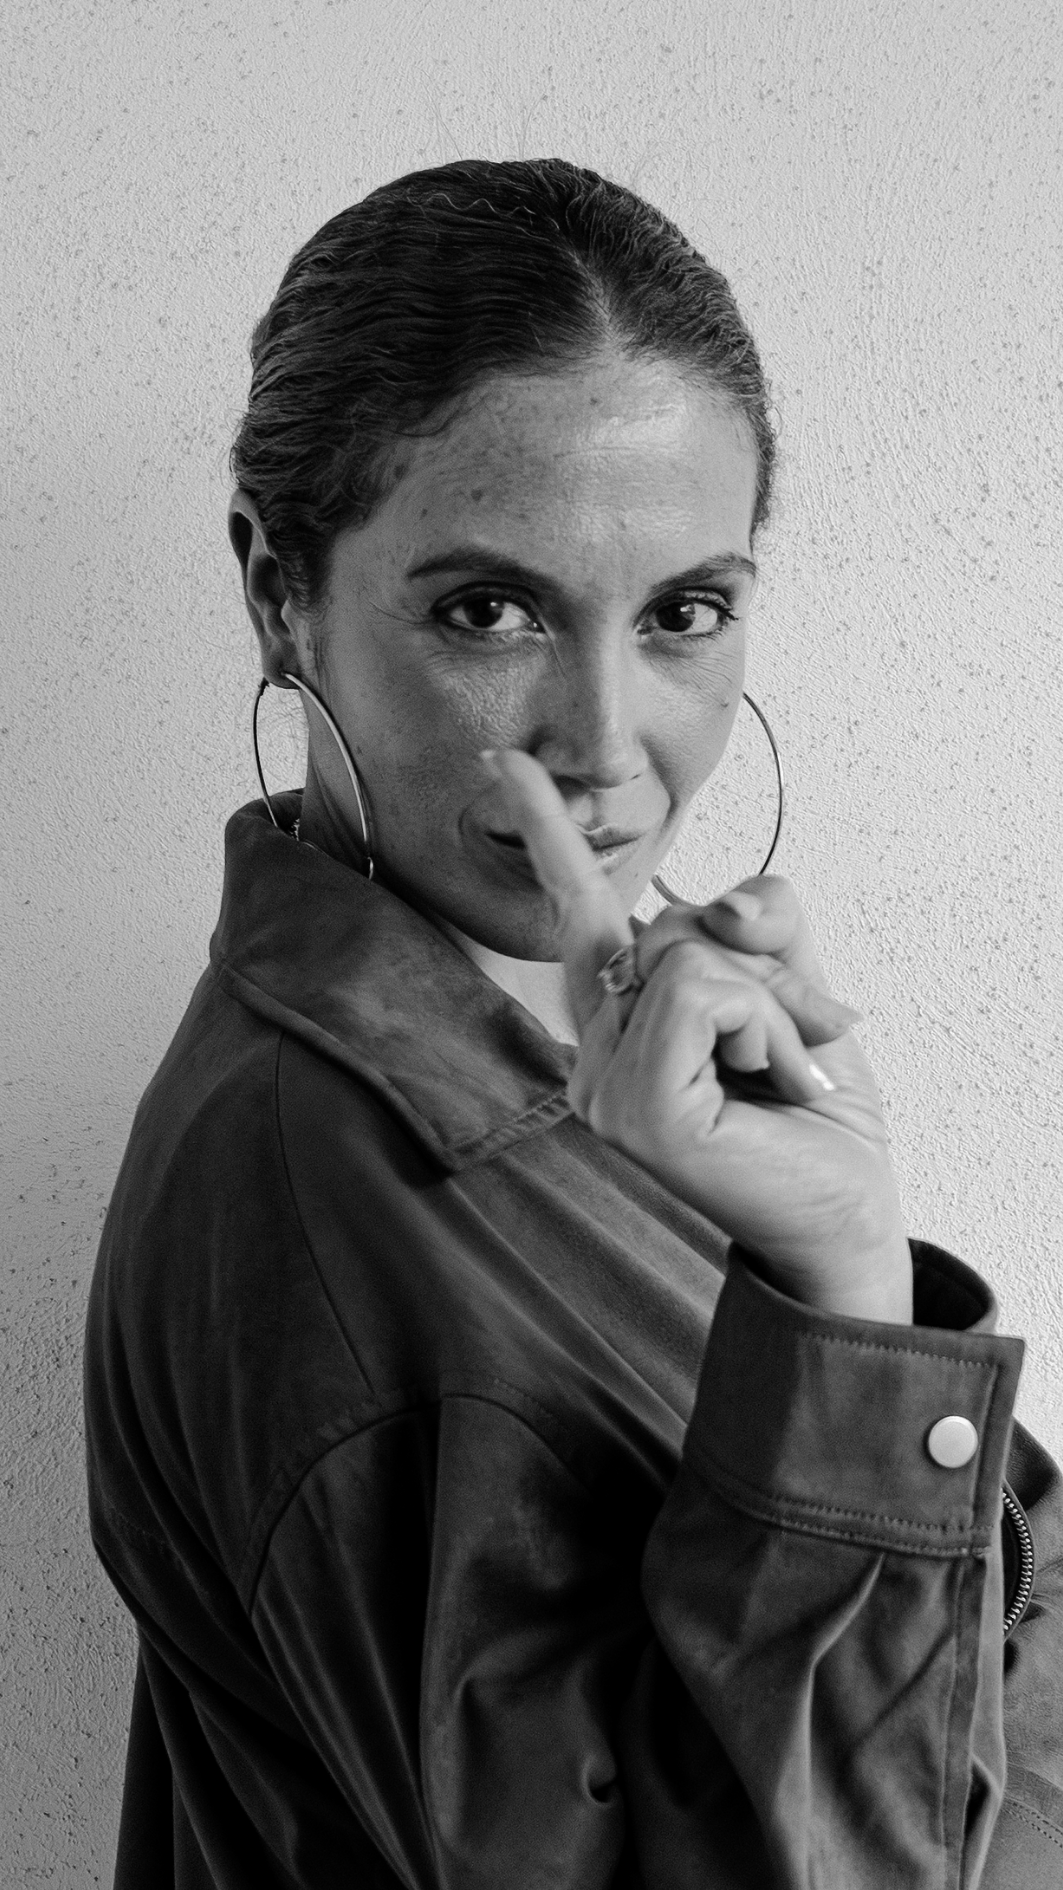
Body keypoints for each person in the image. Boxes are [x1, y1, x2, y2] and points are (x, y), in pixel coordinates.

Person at [83, 158, 1063, 1889]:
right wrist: (846, 1294)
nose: (605, 745)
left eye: (683, 612)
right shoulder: (326, 1195)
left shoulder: (573, 1039)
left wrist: (834, 1276)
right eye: (491, 609)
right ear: (275, 587)